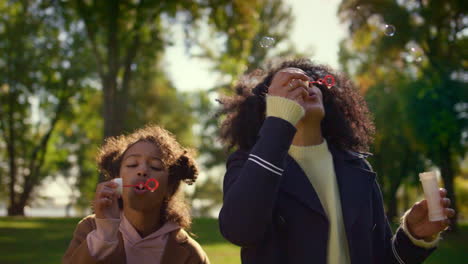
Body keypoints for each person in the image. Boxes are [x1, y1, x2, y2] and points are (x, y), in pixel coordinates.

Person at [217, 58, 455, 264]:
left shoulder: (358, 168)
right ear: (266, 109)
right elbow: (240, 230)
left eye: (311, 81)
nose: (303, 85)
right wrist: (280, 121)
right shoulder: (249, 163)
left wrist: (413, 236)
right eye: (287, 87)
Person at [63, 125, 210, 264]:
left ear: (169, 187)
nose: (142, 171)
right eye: (132, 164)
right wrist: (104, 234)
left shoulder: (190, 254)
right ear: (117, 181)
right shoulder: (90, 229)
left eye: (155, 167)